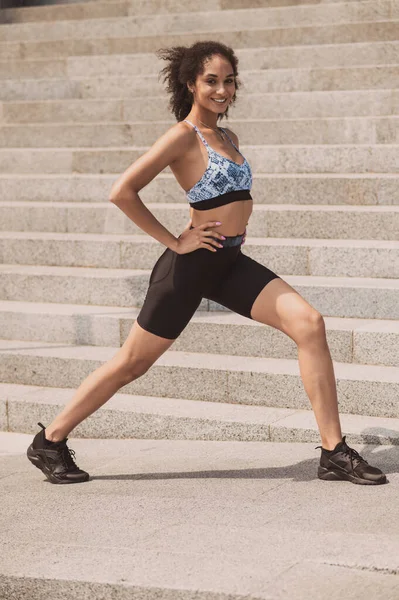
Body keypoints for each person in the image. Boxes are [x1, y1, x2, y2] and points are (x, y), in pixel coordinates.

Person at [27, 41, 387, 486]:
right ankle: (51, 439)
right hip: (191, 267)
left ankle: (334, 452)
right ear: (192, 84)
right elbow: (122, 191)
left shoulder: (228, 137)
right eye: (211, 81)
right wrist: (175, 242)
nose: (222, 89)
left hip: (230, 262)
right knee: (132, 364)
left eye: (229, 80)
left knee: (309, 323)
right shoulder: (183, 136)